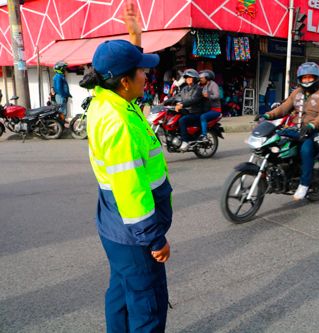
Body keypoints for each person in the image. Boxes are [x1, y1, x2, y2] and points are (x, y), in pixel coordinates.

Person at [81, 2, 172, 331]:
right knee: (147, 308)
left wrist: (135, 38)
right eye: (142, 71)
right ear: (124, 82)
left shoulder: (106, 99)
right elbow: (131, 190)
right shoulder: (120, 124)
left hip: (115, 229)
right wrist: (154, 239)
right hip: (134, 233)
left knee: (120, 294)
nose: (146, 76)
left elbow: (121, 68)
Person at [260, 62, 319, 200]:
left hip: (314, 130)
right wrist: (268, 115)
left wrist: (312, 125)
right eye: (304, 78)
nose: (306, 81)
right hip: (296, 128)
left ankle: (304, 185)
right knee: (273, 140)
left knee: (306, 150)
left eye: (309, 77)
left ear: (316, 78)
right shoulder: (297, 92)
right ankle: (272, 172)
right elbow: (283, 108)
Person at [166, 69, 204, 151]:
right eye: (187, 78)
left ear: (195, 79)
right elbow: (175, 97)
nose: (188, 79)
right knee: (172, 118)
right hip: (187, 111)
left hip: (195, 112)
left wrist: (182, 104)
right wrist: (164, 102)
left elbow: (193, 99)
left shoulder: (198, 89)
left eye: (190, 78)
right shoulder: (185, 89)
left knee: (182, 120)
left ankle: (185, 141)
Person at [199, 69, 221, 140]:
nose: (201, 79)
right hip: (206, 108)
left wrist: (208, 96)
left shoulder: (213, 85)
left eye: (202, 78)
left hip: (215, 110)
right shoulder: (203, 85)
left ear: (207, 78)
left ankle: (204, 135)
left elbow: (217, 96)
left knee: (203, 117)